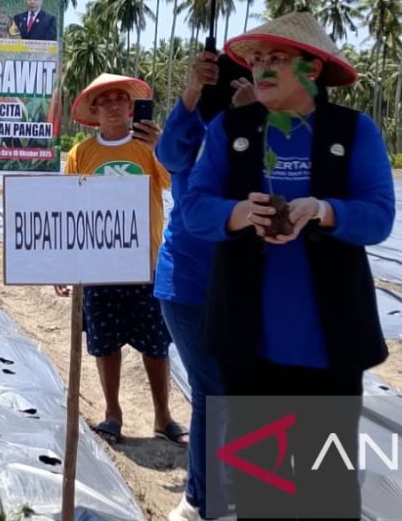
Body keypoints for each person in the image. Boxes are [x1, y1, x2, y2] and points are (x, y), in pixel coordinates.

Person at [184, 12, 395, 520]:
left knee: (329, 493)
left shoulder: (353, 130)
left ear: (314, 70)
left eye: (276, 58)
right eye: (256, 60)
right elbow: (194, 206)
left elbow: (379, 216)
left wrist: (324, 211)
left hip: (330, 345)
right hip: (251, 345)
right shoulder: (228, 129)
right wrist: (236, 214)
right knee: (260, 492)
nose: (261, 69)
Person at [57, 73, 181, 449]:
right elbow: (69, 208)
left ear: (131, 108)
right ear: (95, 111)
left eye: (120, 99)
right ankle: (113, 414)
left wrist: (162, 146)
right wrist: (64, 264)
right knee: (104, 344)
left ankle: (163, 417)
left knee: (155, 346)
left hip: (145, 266)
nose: (113, 105)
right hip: (98, 266)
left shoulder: (147, 150)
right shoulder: (81, 153)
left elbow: (176, 182)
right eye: (105, 100)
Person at [156, 50, 253, 521]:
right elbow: (169, 152)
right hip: (189, 286)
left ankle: (220, 483)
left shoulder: (260, 133)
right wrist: (192, 91)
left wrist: (254, 116)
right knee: (212, 389)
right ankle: (198, 500)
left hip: (240, 287)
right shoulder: (198, 134)